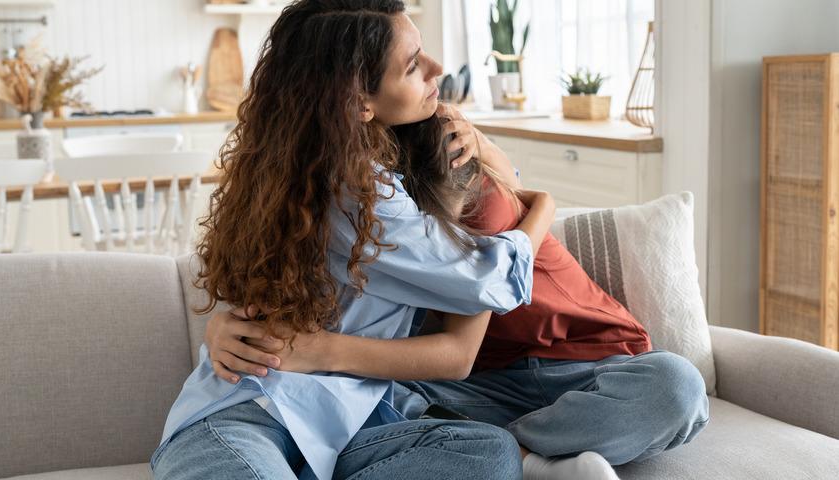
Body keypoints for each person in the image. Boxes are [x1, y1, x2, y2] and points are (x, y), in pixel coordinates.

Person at [151, 1, 557, 479]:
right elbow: (487, 277)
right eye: (412, 65)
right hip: (248, 415)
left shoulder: (321, 166)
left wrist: (481, 144)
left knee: (487, 452)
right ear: (359, 101)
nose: (437, 69)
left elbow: (489, 201)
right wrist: (546, 205)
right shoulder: (356, 190)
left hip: (343, 430)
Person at [209, 113, 711, 480]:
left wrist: (532, 195)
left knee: (675, 387)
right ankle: (517, 455)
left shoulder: (471, 201)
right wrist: (225, 328)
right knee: (367, 399)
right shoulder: (377, 217)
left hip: (589, 364)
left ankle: (518, 457)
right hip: (478, 389)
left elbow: (471, 322)